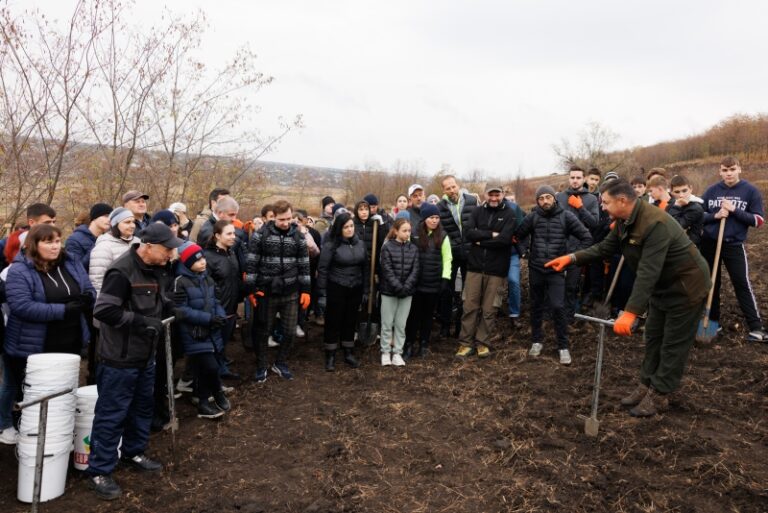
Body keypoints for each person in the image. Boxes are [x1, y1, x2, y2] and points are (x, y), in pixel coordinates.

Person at [545, 179, 711, 416]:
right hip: (663, 288)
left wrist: (631, 311)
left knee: (673, 343)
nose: (602, 207)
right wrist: (572, 258)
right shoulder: (624, 221)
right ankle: (646, 385)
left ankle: (661, 394)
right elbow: (603, 248)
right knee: (653, 336)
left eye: (606, 202)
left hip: (686, 288)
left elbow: (648, 271)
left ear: (622, 200)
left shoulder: (656, 224)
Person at [86, 223, 182, 500]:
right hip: (119, 357)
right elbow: (104, 310)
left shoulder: (156, 268)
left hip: (146, 355)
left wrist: (172, 308)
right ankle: (99, 470)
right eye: (167, 249)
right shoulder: (121, 270)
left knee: (142, 407)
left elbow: (156, 300)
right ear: (148, 246)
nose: (171, 255)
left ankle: (134, 452)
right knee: (112, 413)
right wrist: (142, 323)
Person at [3, 224, 95, 436]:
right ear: (34, 245)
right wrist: (63, 310)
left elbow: (88, 288)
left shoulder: (70, 263)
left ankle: (60, 436)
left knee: (64, 392)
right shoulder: (20, 270)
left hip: (70, 339)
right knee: (33, 396)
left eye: (57, 241)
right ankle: (28, 440)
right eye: (48, 242)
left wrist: (87, 298)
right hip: (34, 345)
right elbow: (22, 306)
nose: (55, 246)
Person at [515, 186, 592, 365]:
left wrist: (571, 258)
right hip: (536, 269)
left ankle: (563, 346)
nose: (545, 201)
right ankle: (536, 341)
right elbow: (518, 236)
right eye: (541, 198)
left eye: (548, 197)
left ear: (554, 198)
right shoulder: (532, 217)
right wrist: (524, 252)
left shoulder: (566, 216)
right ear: (537, 201)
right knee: (536, 306)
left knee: (558, 306)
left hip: (556, 270)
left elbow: (586, 237)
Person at [700, 156, 766, 341]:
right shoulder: (711, 191)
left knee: (741, 283)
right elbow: (698, 215)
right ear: (720, 171)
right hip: (710, 244)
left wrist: (734, 210)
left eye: (732, 169)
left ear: (739, 169)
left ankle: (756, 327)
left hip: (734, 244)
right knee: (711, 283)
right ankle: (712, 323)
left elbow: (758, 221)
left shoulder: (750, 191)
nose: (728, 173)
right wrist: (716, 215)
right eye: (725, 170)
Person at [245, 200, 311, 382]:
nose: (286, 222)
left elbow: (304, 264)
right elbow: (252, 262)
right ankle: (261, 365)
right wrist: (251, 289)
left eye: (289, 218)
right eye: (282, 219)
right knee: (263, 331)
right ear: (273, 217)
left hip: (290, 291)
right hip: (266, 291)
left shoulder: (298, 236)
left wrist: (306, 289)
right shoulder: (261, 235)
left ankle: (280, 362)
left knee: (290, 331)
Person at [455, 185, 517, 359]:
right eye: (491, 194)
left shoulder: (509, 214)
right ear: (485, 195)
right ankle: (465, 344)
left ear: (502, 195)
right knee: (469, 307)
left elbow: (505, 240)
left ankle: (482, 343)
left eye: (497, 194)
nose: (494, 198)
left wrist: (481, 242)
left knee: (490, 309)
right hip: (474, 268)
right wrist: (492, 234)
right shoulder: (476, 211)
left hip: (496, 270)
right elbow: (469, 233)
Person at [174, 241, 230, 419]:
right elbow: (181, 310)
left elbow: (216, 301)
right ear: (187, 263)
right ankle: (216, 394)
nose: (203, 262)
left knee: (204, 368)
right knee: (211, 367)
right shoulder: (180, 282)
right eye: (197, 260)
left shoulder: (207, 278)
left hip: (211, 330)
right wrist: (207, 319)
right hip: (194, 333)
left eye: (203, 258)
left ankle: (203, 402)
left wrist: (220, 315)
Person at [316, 212, 367, 371]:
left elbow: (365, 268)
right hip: (336, 286)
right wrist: (322, 294)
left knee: (350, 320)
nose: (350, 229)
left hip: (355, 287)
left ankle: (348, 351)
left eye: (351, 226)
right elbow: (323, 269)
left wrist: (366, 290)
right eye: (346, 227)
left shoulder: (360, 244)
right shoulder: (331, 245)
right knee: (333, 321)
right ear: (339, 228)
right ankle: (330, 354)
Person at [404, 203, 452, 358]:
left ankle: (424, 344)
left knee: (427, 316)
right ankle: (409, 344)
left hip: (433, 283)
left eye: (437, 217)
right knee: (413, 316)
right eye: (432, 217)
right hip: (416, 283)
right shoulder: (415, 234)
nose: (435, 220)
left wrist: (445, 279)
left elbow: (447, 259)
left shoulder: (443, 236)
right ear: (425, 218)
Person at [555, 166, 599, 322]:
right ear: (569, 178)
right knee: (556, 283)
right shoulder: (560, 197)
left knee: (572, 285)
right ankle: (555, 315)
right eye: (572, 177)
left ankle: (569, 317)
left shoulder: (591, 199)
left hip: (578, 248)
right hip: (559, 246)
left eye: (578, 178)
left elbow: (594, 223)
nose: (575, 180)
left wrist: (580, 207)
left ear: (584, 179)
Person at [437, 175, 478, 338]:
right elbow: (441, 229)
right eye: (448, 188)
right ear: (444, 190)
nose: (452, 190)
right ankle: (445, 326)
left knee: (468, 292)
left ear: (458, 185)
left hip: (469, 253)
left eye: (453, 186)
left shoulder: (471, 201)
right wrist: (451, 242)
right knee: (447, 290)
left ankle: (462, 326)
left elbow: (478, 223)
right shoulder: (440, 207)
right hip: (451, 255)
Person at [203, 220, 244, 377]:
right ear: (217, 236)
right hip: (218, 309)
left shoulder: (231, 252)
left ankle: (222, 370)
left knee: (224, 342)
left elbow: (234, 279)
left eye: (234, 233)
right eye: (229, 233)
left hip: (231, 308)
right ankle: (212, 377)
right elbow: (207, 285)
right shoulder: (208, 257)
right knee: (214, 344)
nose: (233, 237)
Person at [378, 218, 419, 366]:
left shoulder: (413, 248)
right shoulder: (387, 247)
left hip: (406, 293)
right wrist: (397, 286)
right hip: (389, 292)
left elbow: (415, 270)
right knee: (387, 323)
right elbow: (386, 269)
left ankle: (397, 353)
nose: (408, 233)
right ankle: (385, 352)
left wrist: (406, 287)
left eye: (409, 231)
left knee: (401, 324)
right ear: (396, 231)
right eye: (404, 231)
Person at [89, 208, 139, 295]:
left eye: (133, 222)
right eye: (127, 222)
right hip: (115, 299)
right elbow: (97, 282)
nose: (132, 225)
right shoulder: (103, 247)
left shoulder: (138, 242)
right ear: (115, 224)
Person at [66, 203, 113, 273]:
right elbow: (76, 269)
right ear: (94, 217)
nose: (109, 220)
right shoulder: (74, 240)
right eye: (106, 216)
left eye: (111, 217)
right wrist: (95, 248)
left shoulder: (109, 239)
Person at [503, 191, 526, 329]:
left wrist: (517, 240)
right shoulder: (486, 209)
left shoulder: (514, 208)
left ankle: (514, 314)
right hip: (495, 253)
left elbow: (522, 228)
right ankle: (493, 311)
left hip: (511, 253)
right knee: (494, 285)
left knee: (513, 280)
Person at [666, 175, 704, 246]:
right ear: (671, 192)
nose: (681, 195)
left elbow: (676, 227)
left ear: (691, 189)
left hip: (689, 247)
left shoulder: (695, 208)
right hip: (674, 246)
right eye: (677, 192)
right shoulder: (671, 205)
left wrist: (677, 207)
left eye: (684, 191)